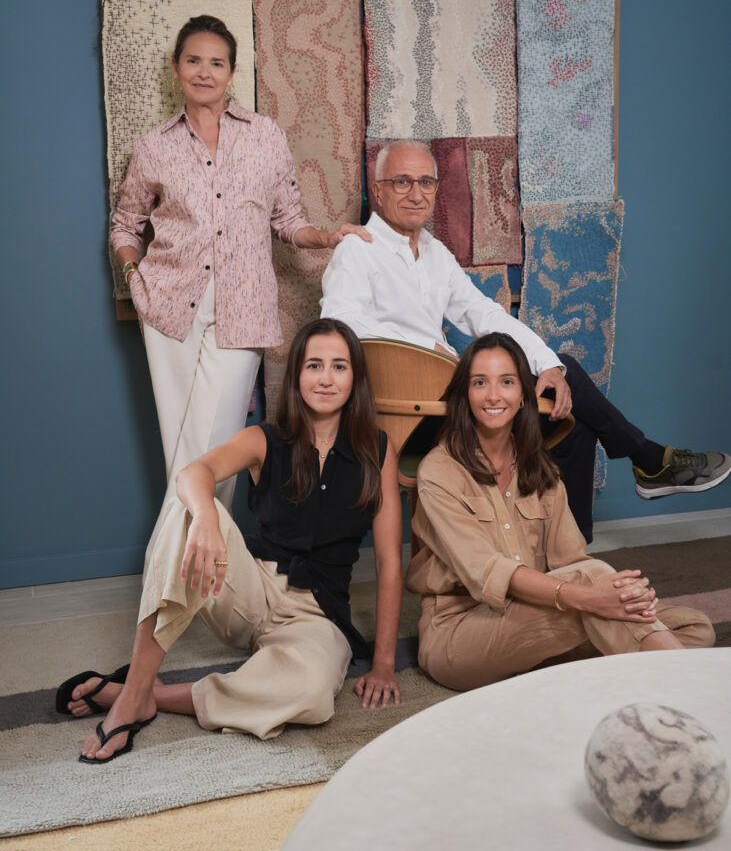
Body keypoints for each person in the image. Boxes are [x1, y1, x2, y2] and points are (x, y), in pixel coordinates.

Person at [320, 139, 730, 541]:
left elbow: (485, 314)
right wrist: (425, 349)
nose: (416, 193)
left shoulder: (434, 253)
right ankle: (649, 461)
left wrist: (547, 363)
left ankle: (572, 560)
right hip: (406, 420)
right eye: (402, 182)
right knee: (568, 393)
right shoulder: (357, 250)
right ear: (378, 191)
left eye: (426, 182)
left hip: (448, 405)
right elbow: (339, 325)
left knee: (569, 416)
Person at [56, 319, 403, 762]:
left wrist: (384, 663)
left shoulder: (378, 451)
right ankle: (135, 690)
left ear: (355, 379)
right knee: (186, 509)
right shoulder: (265, 439)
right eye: (314, 365)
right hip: (249, 589)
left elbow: (389, 563)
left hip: (318, 616)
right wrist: (205, 516)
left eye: (339, 366)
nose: (325, 378)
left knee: (311, 695)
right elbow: (193, 473)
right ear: (297, 375)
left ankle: (150, 697)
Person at [110, 14, 371, 555]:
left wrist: (327, 236)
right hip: (167, 308)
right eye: (193, 60)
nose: (204, 72)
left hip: (244, 307)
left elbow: (287, 219)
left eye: (216, 62)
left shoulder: (265, 136)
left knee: (212, 446)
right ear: (176, 69)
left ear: (231, 72)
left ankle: (170, 577)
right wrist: (135, 277)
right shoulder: (154, 145)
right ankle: (201, 581)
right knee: (180, 446)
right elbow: (125, 224)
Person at [405, 333, 714, 691]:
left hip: (537, 617)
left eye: (507, 382)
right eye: (479, 383)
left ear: (524, 395)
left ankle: (550, 670)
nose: (493, 395)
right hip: (460, 633)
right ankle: (692, 691)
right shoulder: (439, 470)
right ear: (463, 395)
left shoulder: (541, 470)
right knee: (599, 594)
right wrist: (593, 598)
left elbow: (571, 562)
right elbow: (490, 571)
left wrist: (617, 596)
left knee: (695, 628)